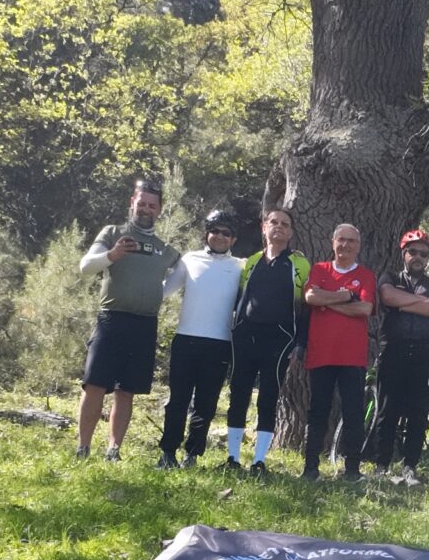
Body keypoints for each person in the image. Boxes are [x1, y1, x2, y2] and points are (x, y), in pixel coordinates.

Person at [74, 176, 177, 459]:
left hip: (145, 324)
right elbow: (85, 266)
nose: (146, 209)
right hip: (111, 319)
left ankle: (113, 450)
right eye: (141, 203)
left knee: (126, 390)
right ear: (132, 202)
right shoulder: (113, 233)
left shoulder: (165, 249)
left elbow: (185, 277)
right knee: (94, 384)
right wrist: (112, 254)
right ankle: (83, 448)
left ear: (159, 209)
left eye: (152, 205)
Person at [154, 205, 246, 468]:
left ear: (234, 239)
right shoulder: (189, 259)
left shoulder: (241, 266)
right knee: (178, 400)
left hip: (220, 343)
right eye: (215, 231)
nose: (220, 237)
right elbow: (164, 291)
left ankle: (192, 454)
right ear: (206, 233)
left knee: (206, 403)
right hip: (186, 338)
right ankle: (168, 452)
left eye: (226, 233)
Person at [223, 207, 308, 476]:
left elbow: (306, 310)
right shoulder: (251, 261)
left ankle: (259, 461)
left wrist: (300, 344)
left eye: (285, 224)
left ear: (291, 232)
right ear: (264, 227)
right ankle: (232, 457)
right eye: (274, 222)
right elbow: (239, 299)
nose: (278, 227)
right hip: (245, 337)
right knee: (239, 394)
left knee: (268, 398)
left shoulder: (299, 264)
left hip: (279, 340)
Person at [372, 228, 429, 485]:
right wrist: (421, 302)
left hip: (423, 353)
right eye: (413, 252)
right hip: (393, 350)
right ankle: (381, 465)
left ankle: (409, 466)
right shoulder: (390, 277)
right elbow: (387, 296)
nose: (418, 257)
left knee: (419, 412)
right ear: (404, 254)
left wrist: (404, 303)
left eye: (424, 254)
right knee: (387, 410)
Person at [301, 222, 378, 480]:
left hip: (352, 356)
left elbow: (364, 309)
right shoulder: (320, 269)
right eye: (341, 240)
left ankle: (352, 469)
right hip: (321, 353)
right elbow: (311, 297)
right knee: (318, 410)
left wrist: (328, 302)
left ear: (359, 246)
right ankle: (310, 467)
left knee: (353, 412)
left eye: (351, 241)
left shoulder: (366, 275)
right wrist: (345, 296)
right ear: (333, 243)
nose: (345, 245)